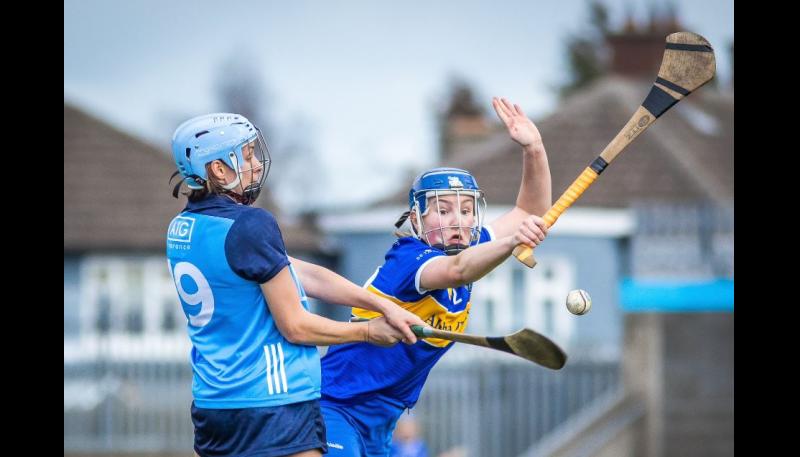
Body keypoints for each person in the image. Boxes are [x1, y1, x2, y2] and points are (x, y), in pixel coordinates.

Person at [165, 112, 426, 457]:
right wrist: (367, 332)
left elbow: (303, 274)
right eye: (246, 156)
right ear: (217, 169)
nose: (256, 164)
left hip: (214, 406)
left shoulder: (183, 228)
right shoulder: (251, 225)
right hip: (273, 406)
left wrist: (383, 304)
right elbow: (296, 327)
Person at [319, 97, 552, 456]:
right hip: (335, 407)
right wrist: (511, 242)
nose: (457, 220)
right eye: (441, 210)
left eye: (466, 209)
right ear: (416, 218)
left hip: (384, 419)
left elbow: (529, 211)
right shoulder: (409, 261)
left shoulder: (471, 248)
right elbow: (457, 272)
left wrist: (534, 149)